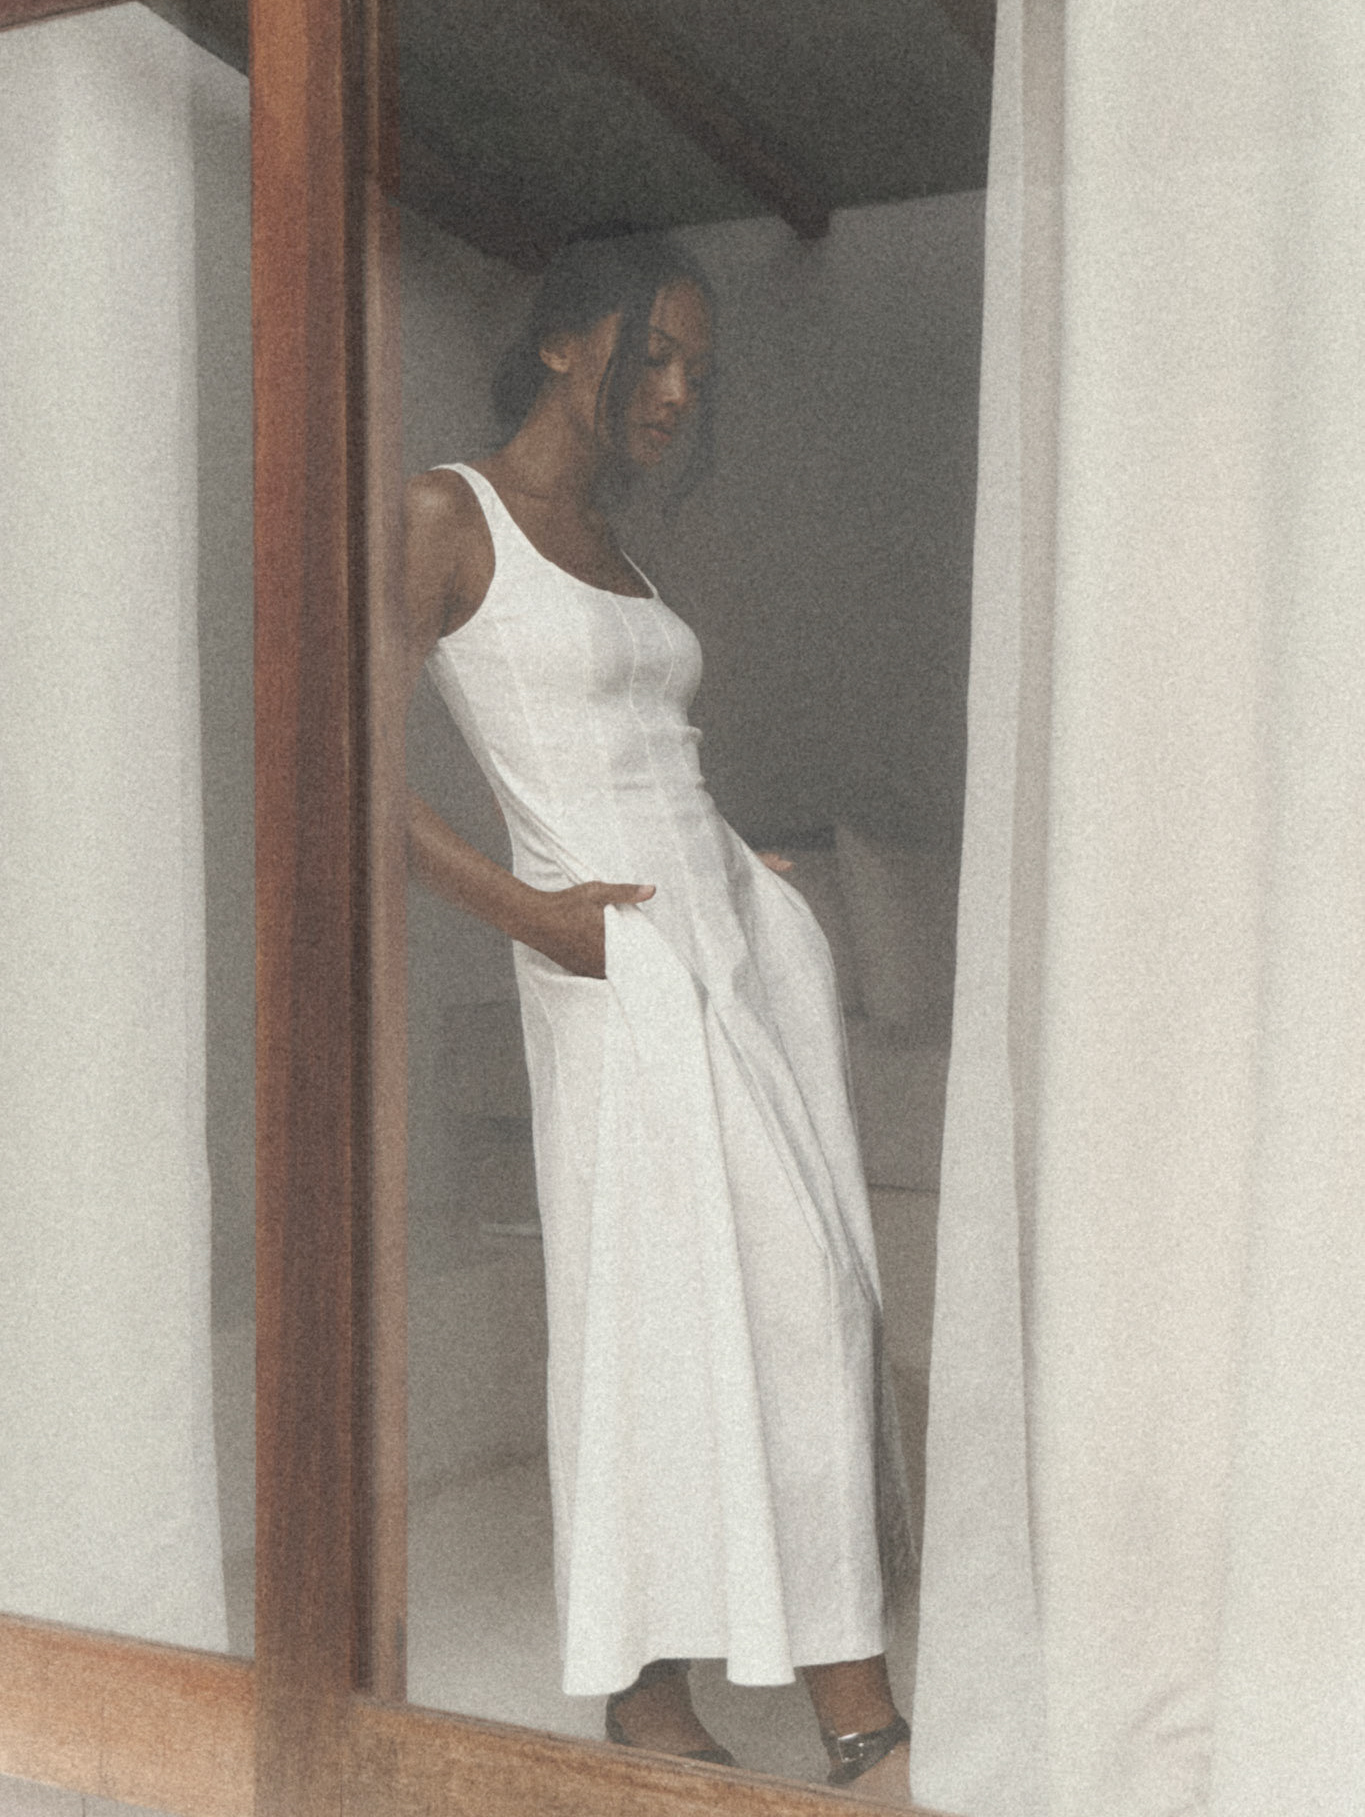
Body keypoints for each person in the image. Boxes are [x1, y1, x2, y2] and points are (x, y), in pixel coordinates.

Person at [404, 232, 914, 1800]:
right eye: (657, 352)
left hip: (730, 939)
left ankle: (824, 1666)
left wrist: (739, 863)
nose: (680, 391)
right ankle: (668, 1682)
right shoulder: (448, 514)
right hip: (606, 961)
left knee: (809, 1287)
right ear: (565, 339)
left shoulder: (614, 544)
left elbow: (643, 748)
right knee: (656, 1308)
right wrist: (537, 917)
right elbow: (330, 763)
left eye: (699, 366)